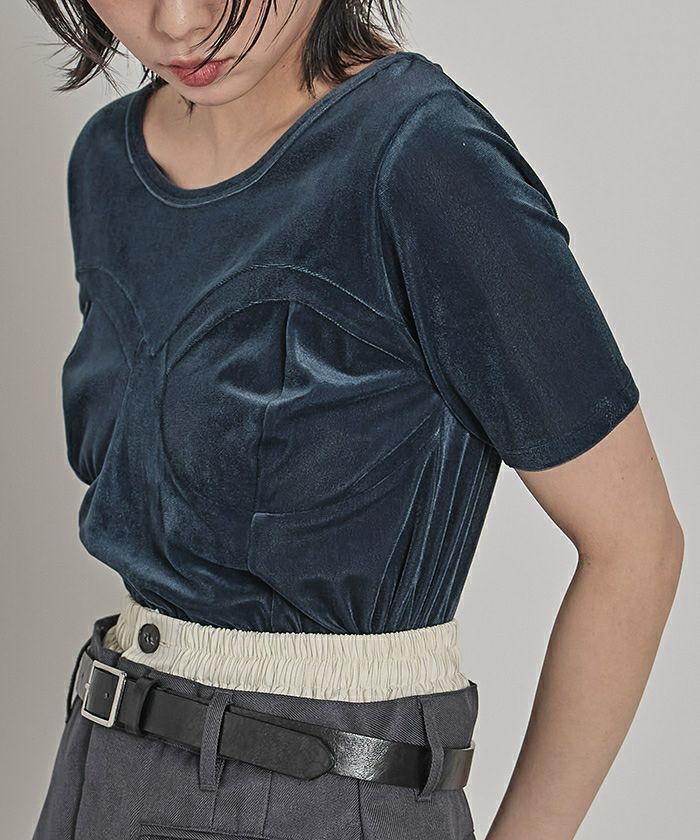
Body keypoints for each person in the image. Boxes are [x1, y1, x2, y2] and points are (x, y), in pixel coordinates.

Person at [26, 2, 683, 839]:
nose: (179, 22)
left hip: (323, 792)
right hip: (95, 773)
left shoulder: (423, 158)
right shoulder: (106, 163)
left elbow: (636, 545)